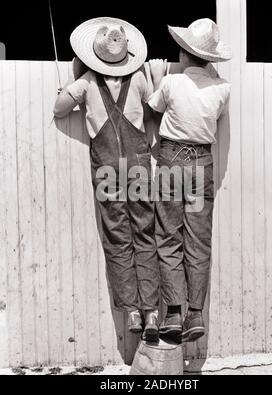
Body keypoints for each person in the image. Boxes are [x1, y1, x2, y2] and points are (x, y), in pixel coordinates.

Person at [53, 17, 160, 343]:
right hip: (140, 164)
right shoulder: (140, 79)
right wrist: (155, 77)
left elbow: (59, 110)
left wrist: (72, 78)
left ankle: (130, 309)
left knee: (117, 236)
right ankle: (152, 311)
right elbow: (155, 112)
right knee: (145, 233)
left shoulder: (85, 82)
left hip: (106, 168)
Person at [148, 19, 232, 343]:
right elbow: (214, 112)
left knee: (168, 235)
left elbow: (153, 109)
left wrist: (158, 78)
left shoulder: (170, 83)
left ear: (183, 53)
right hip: (201, 166)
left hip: (171, 163)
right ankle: (194, 313)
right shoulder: (223, 88)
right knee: (198, 238)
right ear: (211, 59)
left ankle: (172, 312)